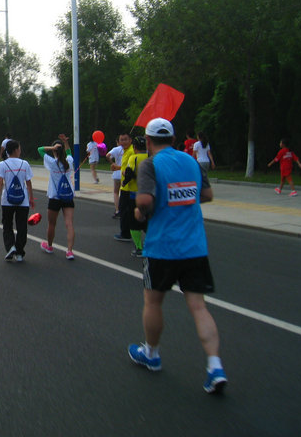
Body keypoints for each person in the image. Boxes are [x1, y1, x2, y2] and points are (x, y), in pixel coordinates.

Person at [128, 118, 227, 394]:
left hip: (162, 247)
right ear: (173, 139)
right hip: (194, 246)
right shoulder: (191, 161)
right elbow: (206, 195)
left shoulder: (150, 165)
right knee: (199, 306)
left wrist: (139, 212)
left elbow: (145, 202)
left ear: (148, 141)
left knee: (153, 302)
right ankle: (215, 366)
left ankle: (151, 353)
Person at [0, 139, 34, 262]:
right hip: (23, 201)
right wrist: (31, 197)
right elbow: (28, 183)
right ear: (16, 150)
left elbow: (0, 184)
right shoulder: (25, 164)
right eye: (19, 148)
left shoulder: (2, 165)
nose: (20, 150)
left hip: (7, 201)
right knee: (22, 227)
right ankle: (19, 253)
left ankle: (10, 247)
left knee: (7, 225)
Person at [38, 134, 76, 260]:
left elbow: (40, 149)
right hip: (68, 197)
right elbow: (69, 152)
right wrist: (65, 143)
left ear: (54, 151)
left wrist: (53, 148)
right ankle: (69, 251)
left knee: (52, 223)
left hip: (55, 197)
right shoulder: (69, 162)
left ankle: (49, 246)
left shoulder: (52, 163)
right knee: (69, 224)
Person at [123, 136, 149, 257]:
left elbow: (129, 173)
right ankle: (151, 245)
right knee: (148, 221)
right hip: (149, 194)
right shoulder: (151, 157)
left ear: (134, 147)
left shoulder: (134, 158)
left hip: (135, 194)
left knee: (133, 222)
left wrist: (125, 180)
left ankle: (139, 247)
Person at [114, 133, 135, 242]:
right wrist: (118, 168)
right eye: (121, 140)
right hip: (125, 187)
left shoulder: (131, 152)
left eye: (125, 139)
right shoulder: (125, 151)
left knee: (125, 211)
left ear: (130, 140)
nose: (123, 142)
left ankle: (126, 234)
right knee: (126, 211)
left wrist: (123, 172)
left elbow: (130, 170)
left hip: (128, 187)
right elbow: (125, 167)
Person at [107, 134, 130, 219]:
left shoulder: (116, 149)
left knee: (116, 192)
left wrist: (112, 163)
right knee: (125, 192)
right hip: (126, 173)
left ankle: (117, 210)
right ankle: (125, 209)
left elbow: (107, 155)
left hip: (117, 173)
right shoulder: (130, 149)